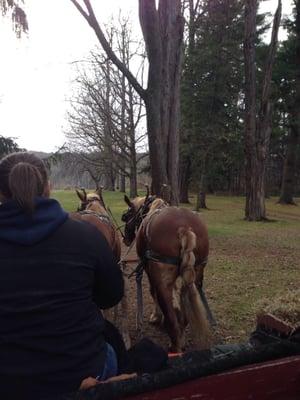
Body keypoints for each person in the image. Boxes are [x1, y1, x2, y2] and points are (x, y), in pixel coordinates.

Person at [0, 152, 124, 399]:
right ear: (48, 187)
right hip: (81, 372)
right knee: (113, 345)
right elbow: (112, 296)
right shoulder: (87, 236)